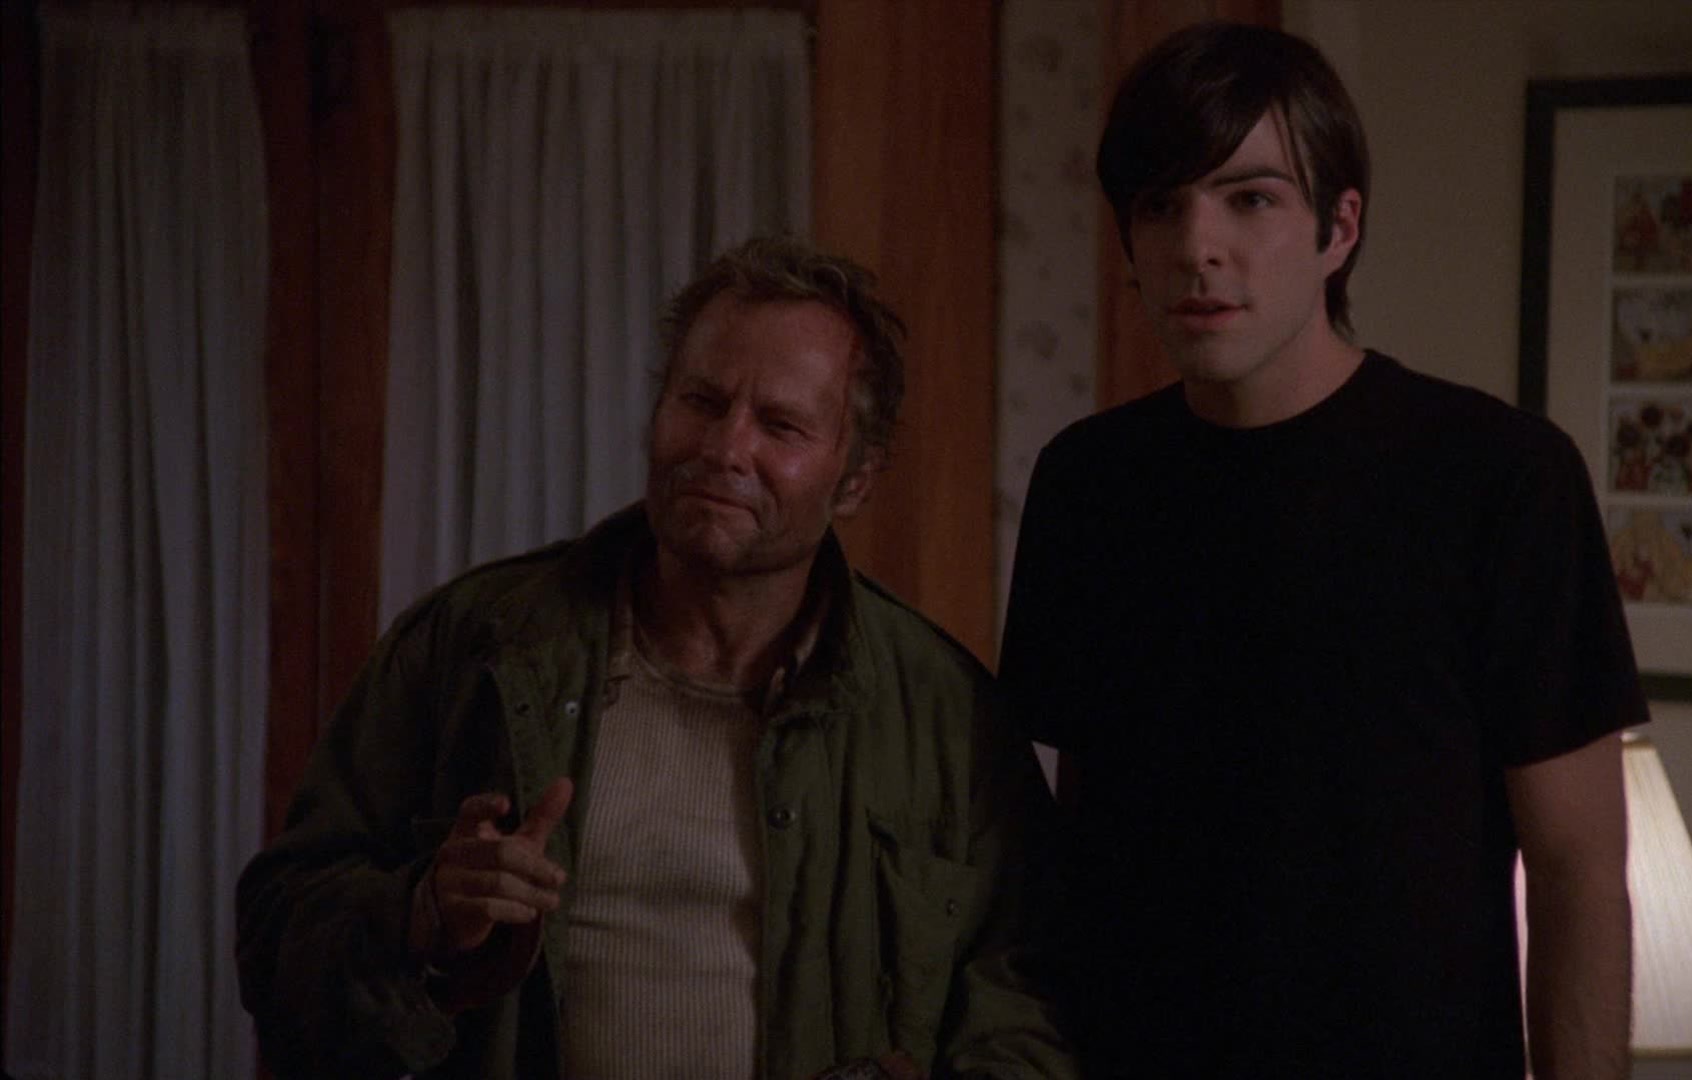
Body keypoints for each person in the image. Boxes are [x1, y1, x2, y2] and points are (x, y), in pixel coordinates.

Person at [238, 236, 1075, 1080]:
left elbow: (1036, 1006)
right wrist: (422, 913)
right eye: (701, 400)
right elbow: (275, 931)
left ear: (855, 480)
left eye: (780, 425)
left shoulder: (945, 713)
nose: (724, 448)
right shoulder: (476, 646)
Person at [997, 22, 1644, 1080]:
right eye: (1160, 205)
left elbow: (1578, 871)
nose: (1197, 245)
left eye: (1250, 199)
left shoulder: (1499, 477)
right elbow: (1078, 832)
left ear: (1340, 227)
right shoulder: (1088, 481)